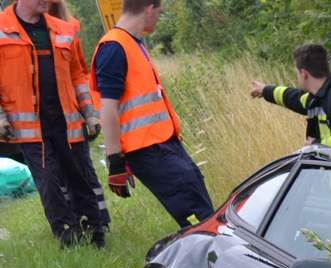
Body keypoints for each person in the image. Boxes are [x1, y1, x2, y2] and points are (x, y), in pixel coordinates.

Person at [91, 0, 213, 228]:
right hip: (150, 152)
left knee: (202, 208)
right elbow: (108, 108)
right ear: (149, 9)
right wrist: (115, 160)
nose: (158, 17)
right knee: (198, 218)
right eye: (159, 11)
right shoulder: (114, 48)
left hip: (165, 145)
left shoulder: (131, 43)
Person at [0, 0, 106, 246]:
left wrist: (89, 111)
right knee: (49, 184)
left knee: (80, 180)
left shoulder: (64, 29)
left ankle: (96, 236)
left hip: (67, 122)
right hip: (30, 130)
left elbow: (77, 74)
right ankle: (70, 240)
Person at [48, 0, 111, 233]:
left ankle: (99, 222)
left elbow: (79, 73)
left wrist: (89, 113)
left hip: (72, 115)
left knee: (82, 173)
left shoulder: (69, 26)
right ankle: (79, 223)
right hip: (52, 118)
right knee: (63, 176)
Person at [250, 43, 331, 157]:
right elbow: (293, 98)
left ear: (304, 74)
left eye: (297, 72)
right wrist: (266, 90)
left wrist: (316, 145)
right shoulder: (316, 97)